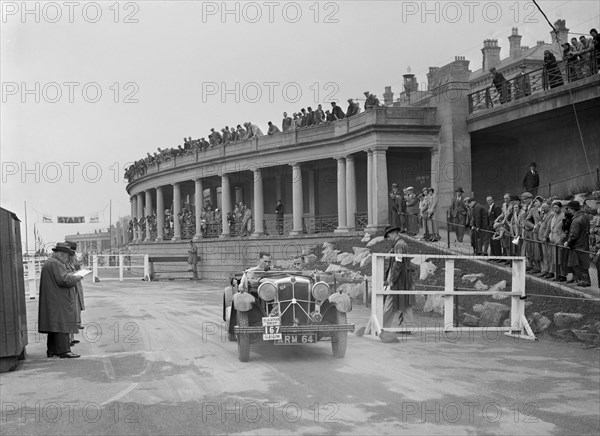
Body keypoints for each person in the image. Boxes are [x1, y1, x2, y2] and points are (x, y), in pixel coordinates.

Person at [38, 243, 82, 359]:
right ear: (62, 255)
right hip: (59, 300)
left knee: (54, 326)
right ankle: (64, 350)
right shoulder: (56, 264)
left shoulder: (50, 262)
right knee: (63, 324)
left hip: (53, 298)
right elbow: (64, 280)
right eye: (67, 256)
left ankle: (52, 350)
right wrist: (76, 278)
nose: (68, 259)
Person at [383, 226, 417, 327]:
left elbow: (398, 263)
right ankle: (409, 327)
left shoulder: (398, 245)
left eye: (389, 236)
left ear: (394, 233)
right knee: (405, 302)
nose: (389, 239)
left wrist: (392, 279)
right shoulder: (401, 244)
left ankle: (382, 326)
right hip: (405, 277)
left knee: (390, 301)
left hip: (399, 277)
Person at [564, 201, 591, 287]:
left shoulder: (576, 220)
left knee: (578, 264)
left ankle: (584, 280)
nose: (568, 211)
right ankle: (581, 279)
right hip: (584, 243)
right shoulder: (584, 217)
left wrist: (568, 243)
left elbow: (574, 235)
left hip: (578, 244)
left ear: (573, 209)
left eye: (569, 209)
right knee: (583, 263)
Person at [65, 241, 85, 346]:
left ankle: (71, 337)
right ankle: (68, 339)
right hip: (71, 286)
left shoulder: (70, 259)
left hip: (74, 285)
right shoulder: (64, 263)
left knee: (75, 309)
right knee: (71, 311)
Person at [549, 201, 567, 281]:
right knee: (555, 257)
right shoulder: (553, 217)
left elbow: (566, 229)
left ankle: (563, 275)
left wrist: (563, 236)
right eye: (554, 208)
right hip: (553, 238)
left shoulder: (563, 216)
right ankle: (558, 274)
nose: (555, 209)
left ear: (560, 208)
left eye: (556, 207)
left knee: (561, 257)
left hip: (560, 239)